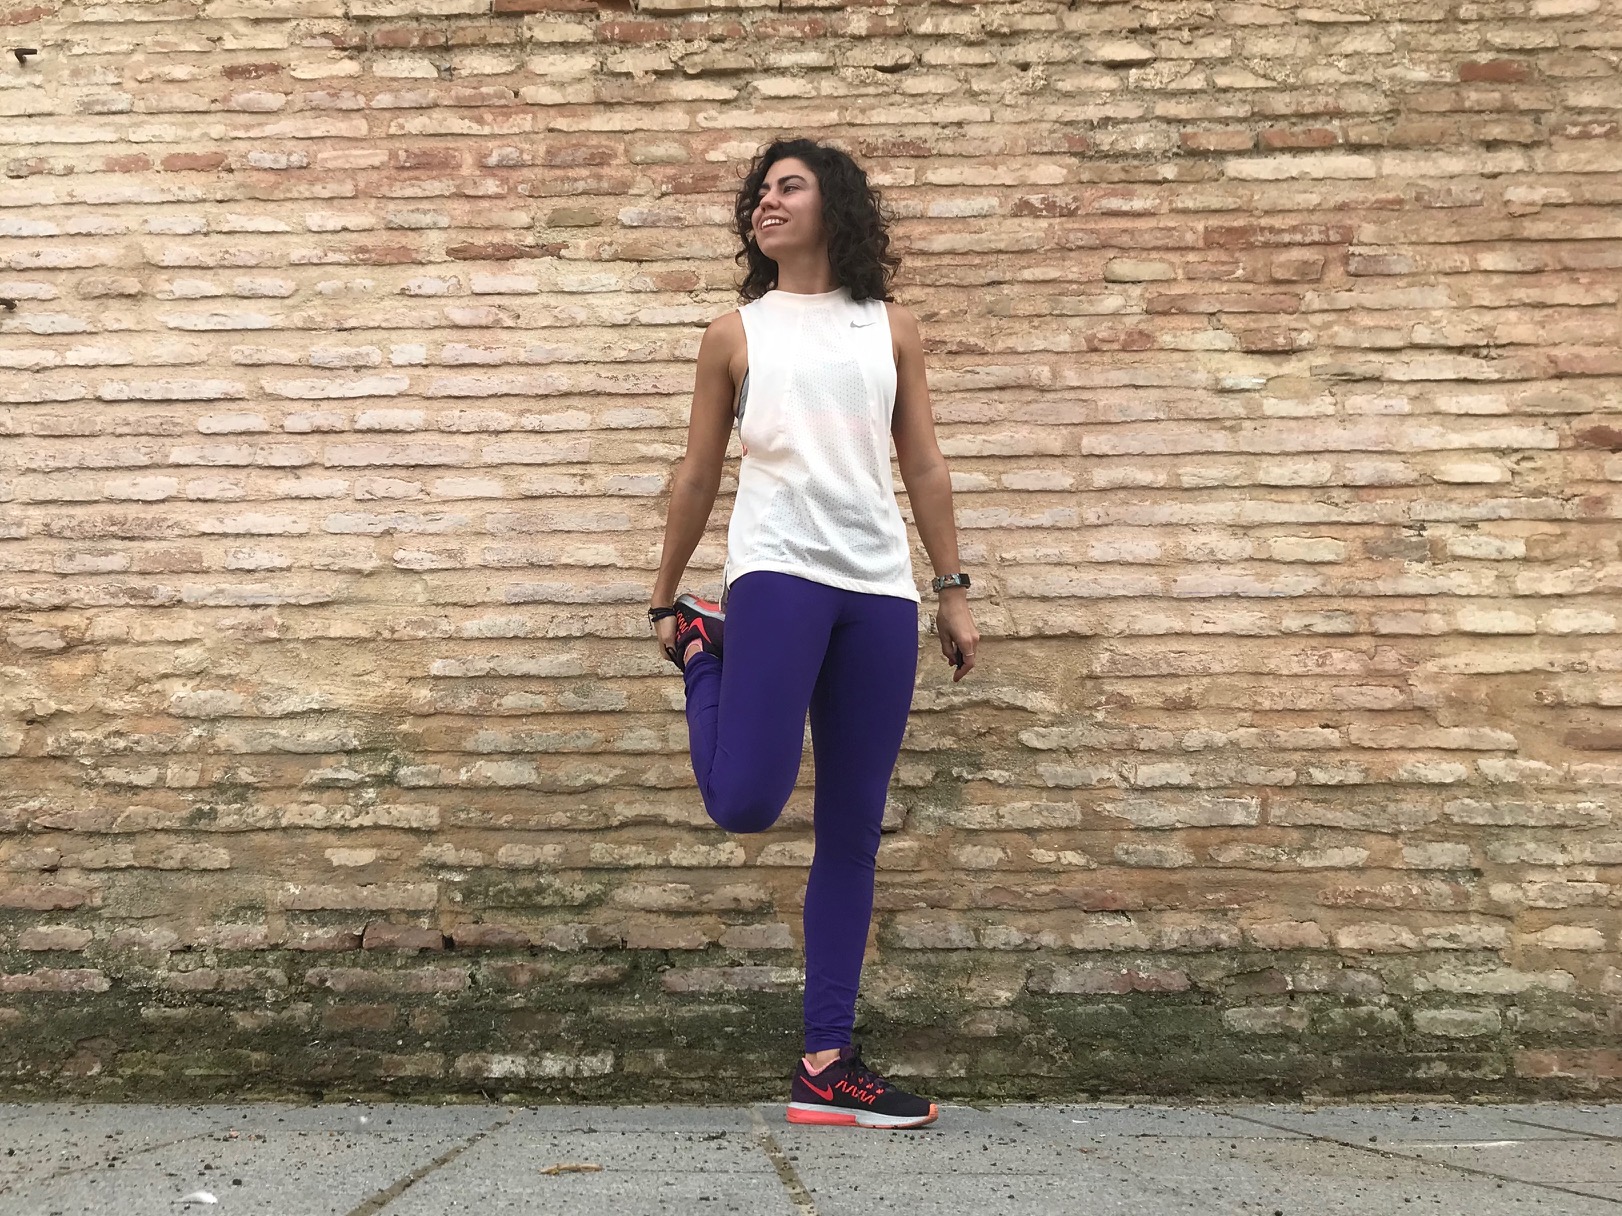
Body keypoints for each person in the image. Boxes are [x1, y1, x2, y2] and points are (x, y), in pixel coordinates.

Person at [647, 137, 980, 1130]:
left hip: (876, 591)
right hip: (777, 574)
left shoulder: (891, 328)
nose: (766, 200)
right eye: (759, 190)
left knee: (851, 829)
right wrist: (665, 599)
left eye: (787, 186)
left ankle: (826, 1065)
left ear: (833, 205)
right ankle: (706, 651)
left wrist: (951, 590)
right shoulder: (734, 333)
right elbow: (698, 472)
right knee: (746, 800)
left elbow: (923, 464)